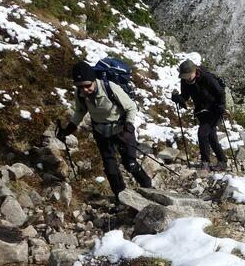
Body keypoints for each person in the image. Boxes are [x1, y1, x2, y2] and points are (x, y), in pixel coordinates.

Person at [55, 61, 152, 198]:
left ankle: (148, 188)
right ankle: (120, 197)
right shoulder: (80, 94)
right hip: (101, 132)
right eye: (80, 87)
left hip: (122, 130)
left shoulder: (109, 87)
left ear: (93, 80)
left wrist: (129, 125)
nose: (85, 90)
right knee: (110, 168)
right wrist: (69, 129)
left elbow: (131, 107)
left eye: (87, 85)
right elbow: (80, 111)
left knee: (130, 163)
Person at [171, 59, 228, 171]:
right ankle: (222, 161)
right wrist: (178, 98)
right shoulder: (185, 81)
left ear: (194, 71)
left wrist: (221, 105)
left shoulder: (206, 77)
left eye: (188, 75)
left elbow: (220, 91)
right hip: (201, 111)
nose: (187, 78)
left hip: (214, 109)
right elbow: (185, 96)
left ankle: (205, 162)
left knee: (202, 134)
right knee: (211, 137)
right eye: (184, 76)